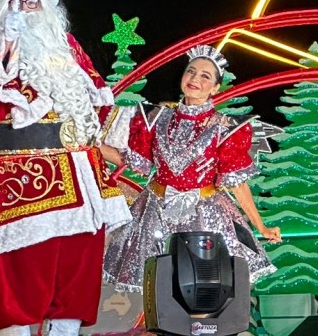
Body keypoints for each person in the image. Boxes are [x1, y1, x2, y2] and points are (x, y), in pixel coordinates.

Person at [0, 0, 131, 336]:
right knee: (19, 263)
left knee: (78, 259)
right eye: (18, 1)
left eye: (34, 3)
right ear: (2, 7)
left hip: (79, 171)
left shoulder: (68, 52)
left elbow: (95, 102)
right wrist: (4, 43)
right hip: (19, 174)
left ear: (49, 9)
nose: (26, 10)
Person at [99, 44, 280, 293]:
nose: (195, 79)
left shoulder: (225, 127)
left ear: (216, 87)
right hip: (155, 212)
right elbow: (130, 160)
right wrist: (86, 145)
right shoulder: (155, 118)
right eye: (190, 72)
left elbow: (237, 182)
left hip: (207, 216)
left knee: (204, 287)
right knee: (161, 286)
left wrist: (261, 226)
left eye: (205, 76)